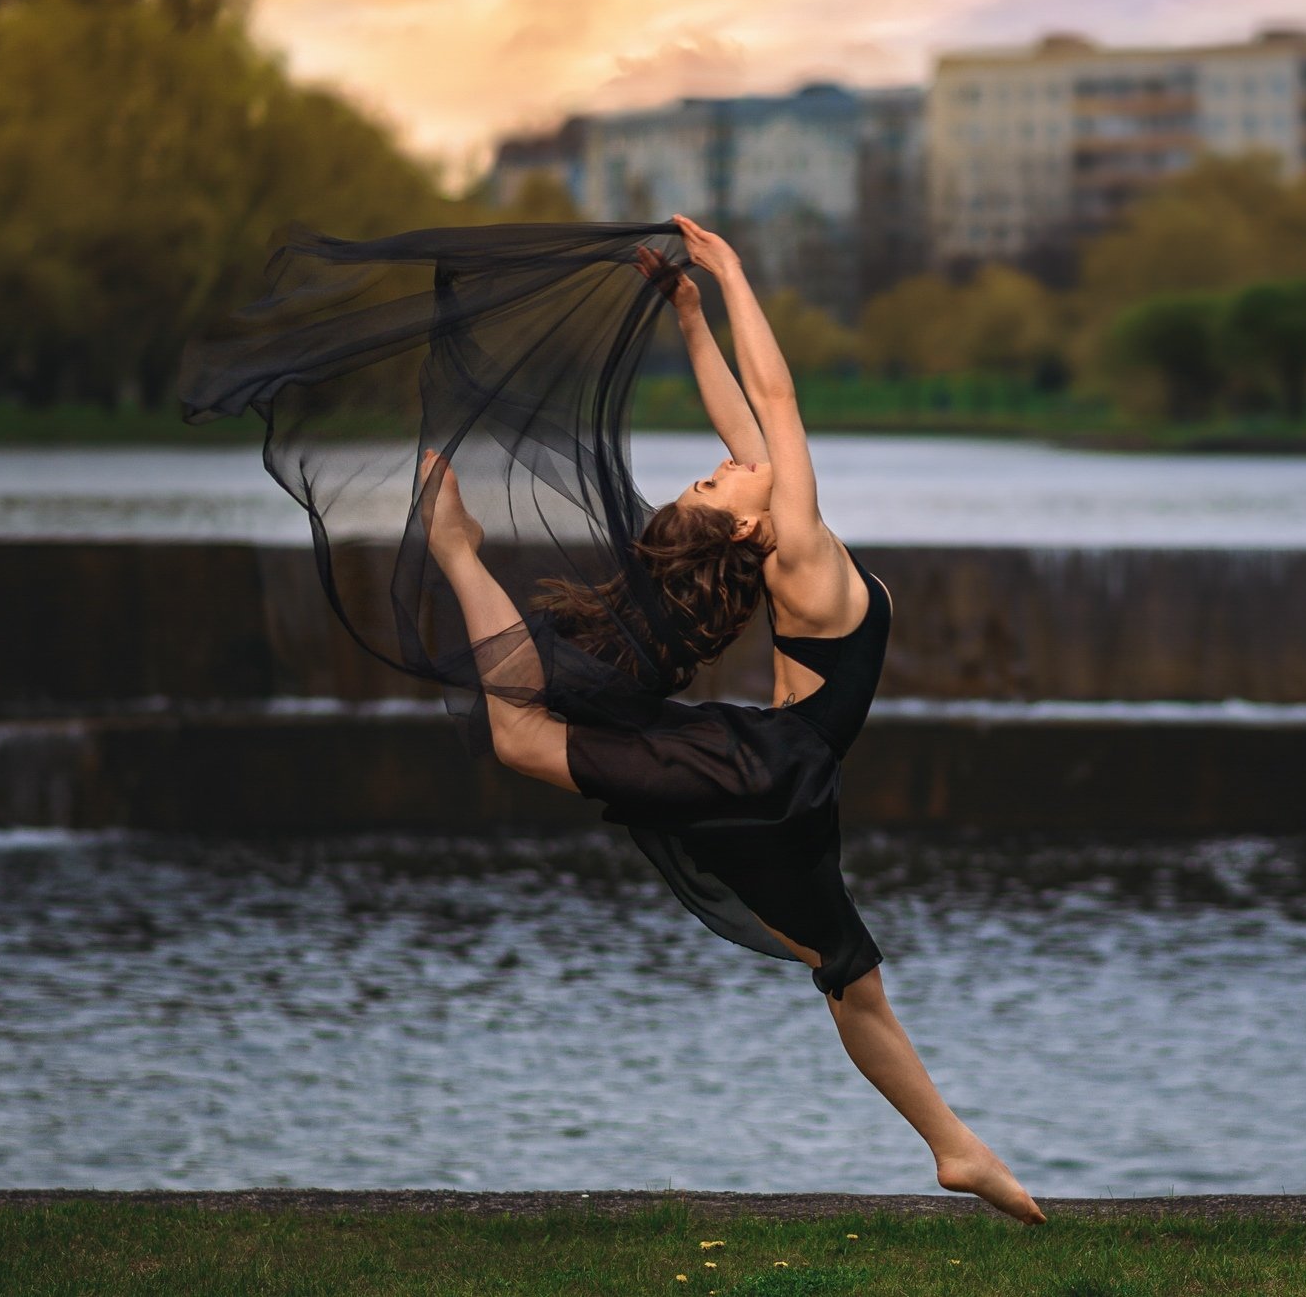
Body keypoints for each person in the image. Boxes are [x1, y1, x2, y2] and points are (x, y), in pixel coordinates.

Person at [412, 215, 1045, 1224]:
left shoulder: (783, 538)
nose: (724, 460)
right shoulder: (791, 539)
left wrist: (695, 318)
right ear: (752, 525)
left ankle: (956, 1148)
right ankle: (456, 549)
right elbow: (779, 399)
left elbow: (751, 421)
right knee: (524, 737)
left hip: (776, 774)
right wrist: (740, 271)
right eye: (716, 478)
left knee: (851, 979)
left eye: (714, 472)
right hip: (773, 774)